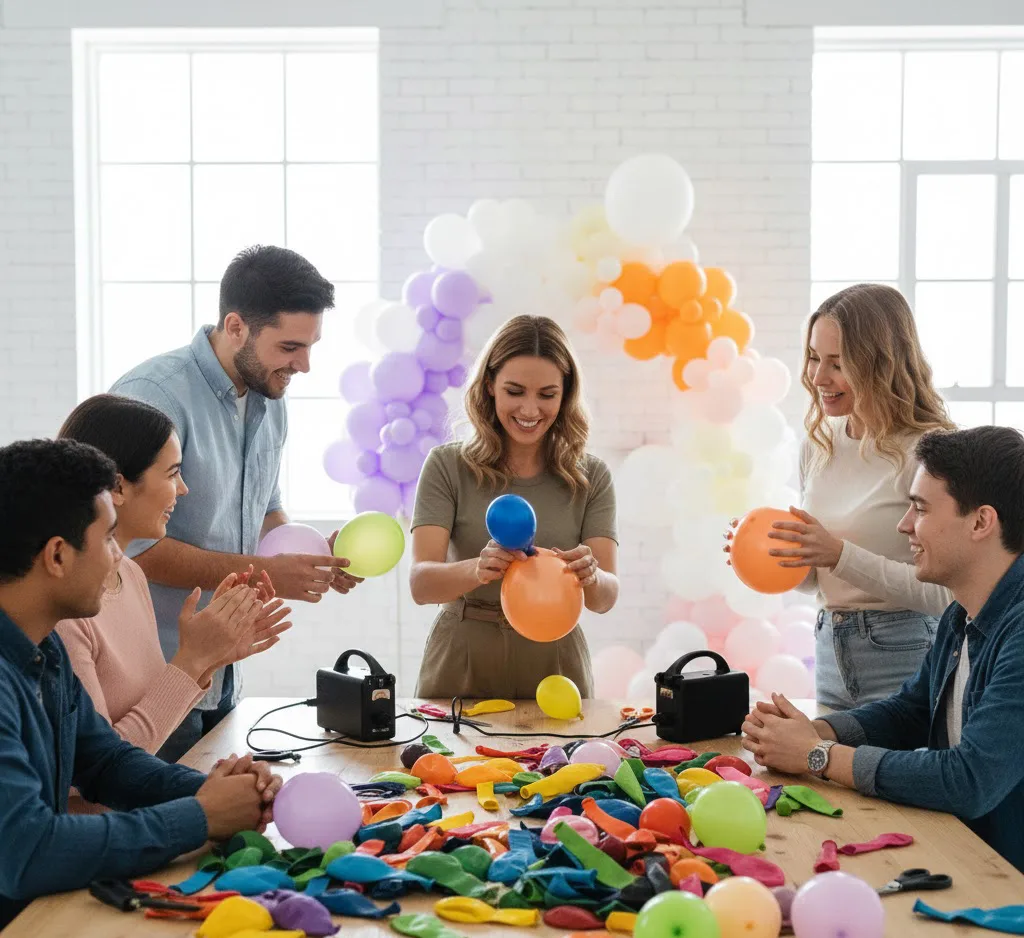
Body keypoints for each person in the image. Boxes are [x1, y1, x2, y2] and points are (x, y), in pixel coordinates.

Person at [0, 439, 282, 929]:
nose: (118, 559)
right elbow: (28, 851)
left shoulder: (45, 647)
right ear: (58, 556)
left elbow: (105, 761)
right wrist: (202, 816)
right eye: (109, 539)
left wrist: (219, 792)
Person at [111, 245, 360, 762]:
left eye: (311, 346)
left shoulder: (270, 397)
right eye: (291, 346)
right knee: (159, 831)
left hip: (224, 672)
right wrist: (268, 569)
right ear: (236, 326)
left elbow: (266, 509)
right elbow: (129, 547)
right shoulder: (153, 395)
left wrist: (311, 557)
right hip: (153, 675)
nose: (305, 365)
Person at [742, 426, 1024, 872]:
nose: (904, 524)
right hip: (968, 857)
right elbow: (909, 712)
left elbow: (971, 780)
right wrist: (813, 732)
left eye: (921, 509)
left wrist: (818, 757)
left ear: (981, 522)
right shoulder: (960, 614)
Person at [55, 394, 293, 774]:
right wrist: (192, 660)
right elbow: (95, 774)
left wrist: (212, 654)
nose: (182, 489)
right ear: (117, 487)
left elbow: (149, 731)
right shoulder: (66, 611)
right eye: (172, 474)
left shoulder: (130, 574)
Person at [765, 284, 955, 708]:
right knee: (823, 776)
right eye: (814, 357)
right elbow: (819, 580)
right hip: (830, 649)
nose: (818, 377)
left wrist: (837, 553)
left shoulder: (929, 449)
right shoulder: (819, 443)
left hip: (906, 654)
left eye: (838, 363)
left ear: (880, 363)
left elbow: (948, 595)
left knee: (890, 774)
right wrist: (776, 557)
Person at [410, 314, 619, 699]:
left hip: (557, 662)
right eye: (515, 390)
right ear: (490, 386)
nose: (530, 409)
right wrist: (478, 568)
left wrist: (592, 574)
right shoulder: (447, 466)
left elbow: (604, 599)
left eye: (547, 394)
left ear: (565, 394)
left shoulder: (592, 475)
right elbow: (421, 585)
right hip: (462, 657)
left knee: (562, 762)